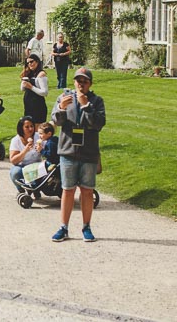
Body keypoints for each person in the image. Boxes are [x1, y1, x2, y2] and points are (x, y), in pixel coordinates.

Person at [50, 68, 106, 243]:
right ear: (74, 82)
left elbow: (98, 124)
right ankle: (63, 227)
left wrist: (86, 105)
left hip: (88, 152)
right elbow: (56, 121)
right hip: (68, 151)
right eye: (78, 80)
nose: (81, 84)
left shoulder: (96, 101)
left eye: (84, 81)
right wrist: (61, 108)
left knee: (87, 191)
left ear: (90, 84)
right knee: (67, 190)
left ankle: (86, 226)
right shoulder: (64, 97)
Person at [8, 116, 41, 191]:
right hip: (22, 167)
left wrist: (42, 150)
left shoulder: (39, 136)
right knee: (15, 172)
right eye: (27, 127)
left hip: (37, 166)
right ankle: (21, 191)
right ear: (21, 128)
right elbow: (13, 160)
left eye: (32, 126)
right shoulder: (16, 140)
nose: (30, 129)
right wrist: (25, 150)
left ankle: (36, 189)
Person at [20, 53, 49, 124]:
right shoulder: (29, 73)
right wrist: (24, 82)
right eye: (28, 63)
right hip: (28, 105)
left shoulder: (41, 74)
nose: (30, 64)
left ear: (37, 62)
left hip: (38, 105)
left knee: (37, 129)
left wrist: (31, 87)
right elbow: (22, 89)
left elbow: (45, 92)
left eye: (31, 62)